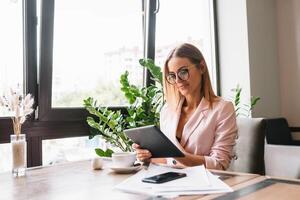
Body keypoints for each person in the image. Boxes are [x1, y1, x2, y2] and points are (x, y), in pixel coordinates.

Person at [133, 43, 237, 170]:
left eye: (183, 72)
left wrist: (175, 154)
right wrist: (147, 157)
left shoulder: (222, 109)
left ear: (202, 67)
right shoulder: (167, 111)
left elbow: (219, 164)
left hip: (207, 185)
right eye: (172, 75)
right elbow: (167, 161)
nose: (178, 81)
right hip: (172, 182)